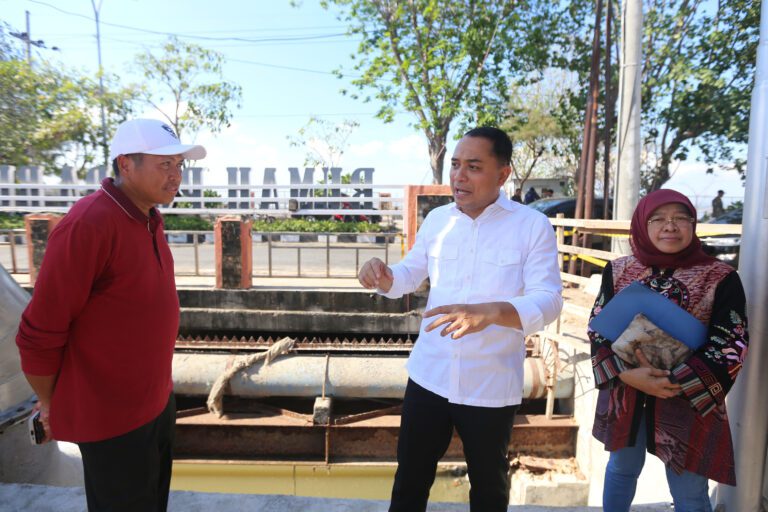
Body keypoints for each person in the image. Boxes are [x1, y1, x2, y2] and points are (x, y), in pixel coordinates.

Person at [358, 127, 563, 511]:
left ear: (503, 174)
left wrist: (492, 312)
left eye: (473, 166)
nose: (459, 176)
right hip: (429, 375)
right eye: (455, 165)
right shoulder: (438, 220)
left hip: (490, 382)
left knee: (489, 488)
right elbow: (408, 275)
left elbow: (549, 300)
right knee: (409, 480)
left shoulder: (531, 226)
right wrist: (383, 276)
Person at [16, 118, 206, 511]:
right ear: (125, 165)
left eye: (179, 165)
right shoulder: (90, 223)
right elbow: (39, 332)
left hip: (156, 402)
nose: (176, 175)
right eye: (164, 164)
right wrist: (50, 403)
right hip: (113, 419)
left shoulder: (149, 218)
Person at [589, 189, 749, 512]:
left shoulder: (720, 277)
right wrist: (627, 375)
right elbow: (598, 328)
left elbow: (731, 341)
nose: (670, 226)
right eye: (658, 218)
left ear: (693, 224)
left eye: (680, 218)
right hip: (627, 392)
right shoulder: (618, 271)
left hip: (687, 399)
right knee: (621, 469)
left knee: (689, 488)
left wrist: (673, 382)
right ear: (642, 224)